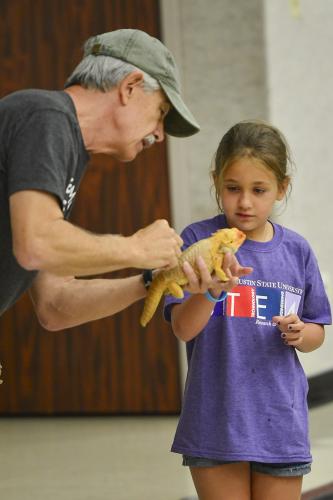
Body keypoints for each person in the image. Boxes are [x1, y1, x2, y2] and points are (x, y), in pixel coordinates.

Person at [164, 120, 332, 500]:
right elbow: (183, 329)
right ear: (216, 181)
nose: (244, 202)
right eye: (232, 188)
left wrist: (300, 333)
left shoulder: (297, 251)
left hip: (281, 422)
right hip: (216, 422)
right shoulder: (198, 242)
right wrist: (210, 293)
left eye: (259, 190)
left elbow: (317, 330)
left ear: (281, 188)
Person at [0, 28, 203, 329]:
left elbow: (55, 303)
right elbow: (36, 243)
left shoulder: (65, 143)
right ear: (130, 86)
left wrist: (152, 280)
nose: (160, 134)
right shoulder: (46, 117)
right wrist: (137, 248)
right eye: (161, 111)